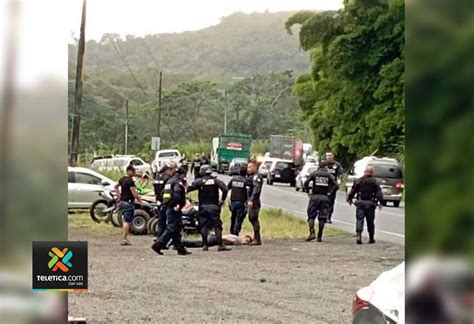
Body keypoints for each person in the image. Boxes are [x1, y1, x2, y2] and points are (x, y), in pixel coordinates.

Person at [187, 165, 230, 251]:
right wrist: (222, 199)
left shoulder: (199, 182)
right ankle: (220, 245)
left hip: (203, 207)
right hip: (214, 206)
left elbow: (188, 189)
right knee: (217, 226)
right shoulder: (216, 181)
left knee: (203, 225)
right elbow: (225, 189)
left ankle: (205, 245)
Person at [151, 162, 191, 255]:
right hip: (174, 208)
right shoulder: (177, 182)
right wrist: (177, 204)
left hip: (168, 206)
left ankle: (180, 248)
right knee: (172, 228)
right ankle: (158, 244)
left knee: (176, 228)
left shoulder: (169, 181)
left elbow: (162, 194)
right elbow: (177, 194)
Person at [346, 165, 383, 244]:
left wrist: (349, 198)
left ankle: (359, 235)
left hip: (360, 202)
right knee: (370, 221)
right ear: (372, 173)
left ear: (365, 172)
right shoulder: (375, 181)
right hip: (370, 203)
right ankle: (371, 237)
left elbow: (353, 191)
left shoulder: (359, 180)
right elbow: (379, 193)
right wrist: (381, 202)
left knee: (360, 220)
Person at [303, 163, 338, 242]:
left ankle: (312, 232)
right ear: (325, 167)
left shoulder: (315, 174)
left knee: (311, 215)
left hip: (314, 196)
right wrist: (330, 193)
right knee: (322, 217)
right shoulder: (329, 176)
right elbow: (336, 185)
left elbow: (306, 183)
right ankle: (319, 235)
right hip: (324, 197)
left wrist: (307, 190)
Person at [114, 165, 143, 246]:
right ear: (129, 171)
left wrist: (119, 195)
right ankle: (124, 239)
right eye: (133, 171)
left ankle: (124, 237)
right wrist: (140, 201)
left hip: (122, 202)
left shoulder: (122, 179)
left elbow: (115, 186)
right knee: (127, 221)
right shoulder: (130, 181)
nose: (134, 173)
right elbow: (134, 193)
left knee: (124, 220)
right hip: (128, 203)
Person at [152, 165, 174, 242]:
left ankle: (159, 237)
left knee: (161, 221)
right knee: (168, 222)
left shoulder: (157, 178)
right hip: (165, 201)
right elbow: (168, 191)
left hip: (159, 201)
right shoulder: (167, 178)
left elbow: (155, 190)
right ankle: (163, 240)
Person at [227, 164, 249, 235]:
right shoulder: (246, 181)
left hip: (233, 202)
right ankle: (235, 233)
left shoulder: (233, 179)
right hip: (241, 202)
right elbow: (248, 192)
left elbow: (227, 188)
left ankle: (231, 231)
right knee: (239, 218)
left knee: (233, 217)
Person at [323, 152, 343, 223]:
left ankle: (329, 217)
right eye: (327, 155)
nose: (328, 157)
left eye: (330, 155)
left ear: (333, 156)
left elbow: (339, 175)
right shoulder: (323, 164)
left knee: (330, 202)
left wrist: (339, 180)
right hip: (323, 185)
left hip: (332, 186)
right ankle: (323, 216)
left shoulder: (337, 165)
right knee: (323, 201)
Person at [246, 161, 263, 245]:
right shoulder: (251, 177)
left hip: (254, 202)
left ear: (255, 167)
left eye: (250, 167)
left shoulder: (257, 177)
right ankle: (256, 238)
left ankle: (257, 238)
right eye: (247, 167)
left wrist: (252, 200)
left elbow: (256, 190)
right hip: (250, 201)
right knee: (251, 218)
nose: (248, 169)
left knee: (253, 218)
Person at [183, 233, 253, 248]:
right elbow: (228, 239)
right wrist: (219, 237)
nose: (246, 242)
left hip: (215, 237)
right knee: (199, 243)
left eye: (247, 242)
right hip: (215, 239)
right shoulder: (237, 240)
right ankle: (181, 242)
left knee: (199, 242)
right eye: (246, 240)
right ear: (244, 237)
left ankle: (182, 243)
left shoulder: (236, 237)